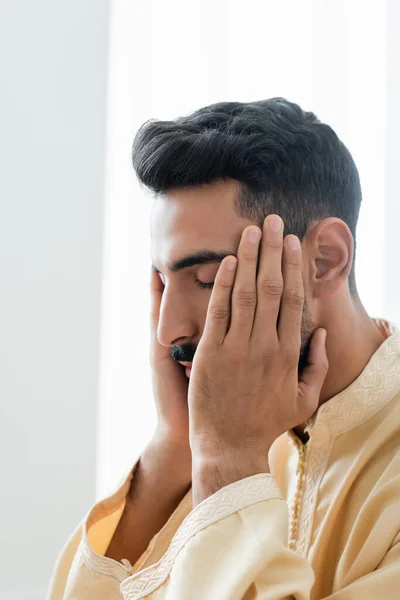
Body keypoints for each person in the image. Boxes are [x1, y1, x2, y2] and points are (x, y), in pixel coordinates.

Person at [48, 99, 400, 599]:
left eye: (209, 280)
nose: (168, 330)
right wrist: (175, 448)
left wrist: (231, 466)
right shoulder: (217, 436)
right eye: (163, 283)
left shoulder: (231, 446)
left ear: (324, 260)